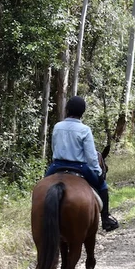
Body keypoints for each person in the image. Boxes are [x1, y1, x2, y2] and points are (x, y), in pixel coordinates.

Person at [45, 96, 119, 232]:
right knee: (102, 186)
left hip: (56, 165)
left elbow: (54, 148)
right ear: (82, 112)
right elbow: (91, 157)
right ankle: (106, 218)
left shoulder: (57, 126)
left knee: (42, 187)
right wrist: (98, 172)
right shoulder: (84, 129)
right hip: (79, 167)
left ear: (67, 110)